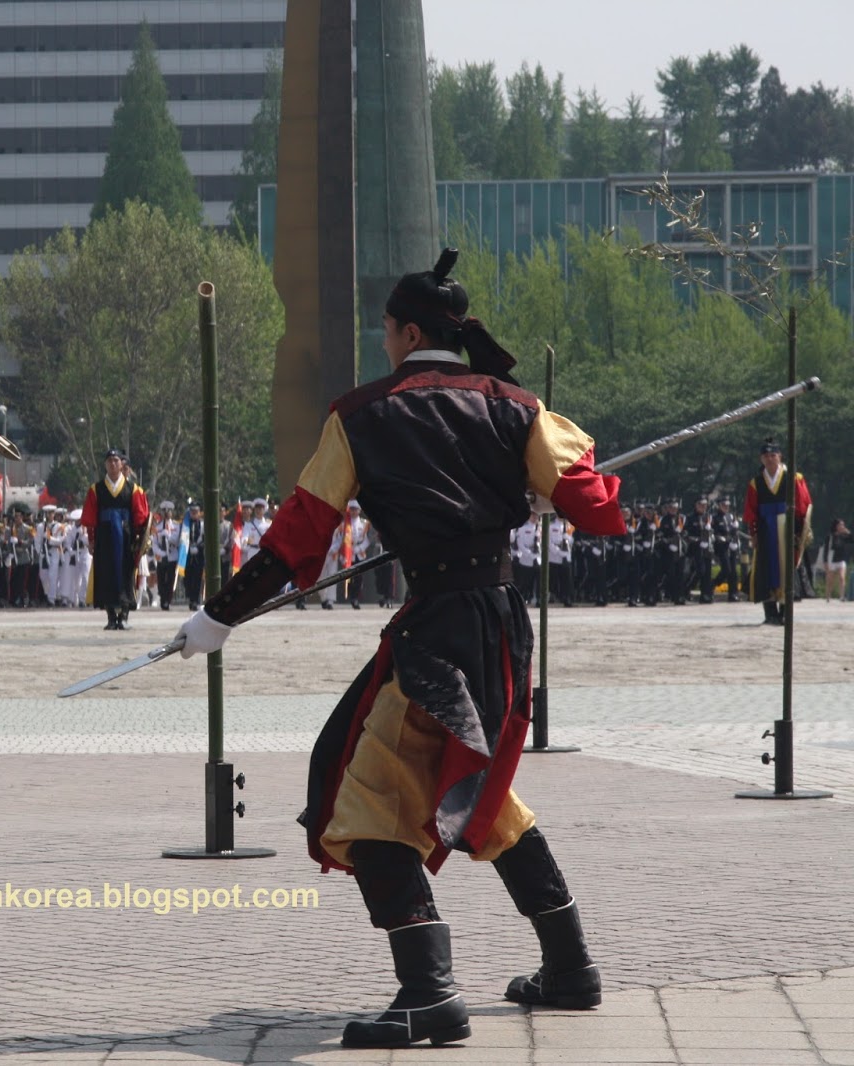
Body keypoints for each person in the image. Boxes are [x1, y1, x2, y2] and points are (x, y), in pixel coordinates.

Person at [172, 249, 624, 1048]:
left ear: (410, 333)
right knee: (479, 792)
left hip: (436, 633)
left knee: (363, 801)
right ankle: (570, 966)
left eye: (385, 331)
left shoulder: (361, 416)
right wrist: (541, 490)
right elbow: (596, 511)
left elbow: (297, 540)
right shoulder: (518, 408)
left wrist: (219, 616)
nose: (382, 343)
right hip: (501, 624)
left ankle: (429, 992)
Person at [743, 439, 812, 625]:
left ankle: (785, 613)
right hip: (766, 530)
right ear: (761, 459)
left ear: (780, 456)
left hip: (787, 529)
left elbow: (802, 506)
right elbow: (751, 512)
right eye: (766, 456)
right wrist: (754, 534)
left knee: (786, 570)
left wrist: (800, 531)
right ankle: (770, 613)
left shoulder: (794, 478)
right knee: (765, 569)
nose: (770, 459)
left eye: (773, 455)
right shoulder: (756, 483)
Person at [80, 448, 149, 630]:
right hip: (104, 538)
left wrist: (139, 540)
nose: (113, 464)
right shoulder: (96, 489)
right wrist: (91, 540)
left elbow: (140, 517)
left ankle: (124, 616)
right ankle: (111, 616)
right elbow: (91, 518)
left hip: (126, 538)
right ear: (105, 465)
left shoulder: (133, 489)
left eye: (116, 461)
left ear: (121, 464)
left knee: (126, 574)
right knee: (106, 575)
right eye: (109, 461)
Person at [151, 501, 181, 610]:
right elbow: (154, 543)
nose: (167, 513)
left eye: (169, 512)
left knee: (170, 579)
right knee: (161, 579)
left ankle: (168, 600)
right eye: (165, 512)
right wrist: (160, 552)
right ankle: (163, 599)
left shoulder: (176, 526)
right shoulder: (157, 526)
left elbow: (177, 541)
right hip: (161, 556)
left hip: (172, 556)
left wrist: (168, 536)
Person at [713, 497, 743, 602]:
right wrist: (720, 538)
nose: (726, 507)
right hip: (721, 546)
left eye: (727, 505)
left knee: (733, 571)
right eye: (723, 505)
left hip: (731, 545)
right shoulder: (715, 518)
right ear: (718, 506)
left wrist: (735, 528)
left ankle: (733, 594)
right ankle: (713, 584)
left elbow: (734, 532)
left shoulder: (730, 517)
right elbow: (714, 532)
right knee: (726, 569)